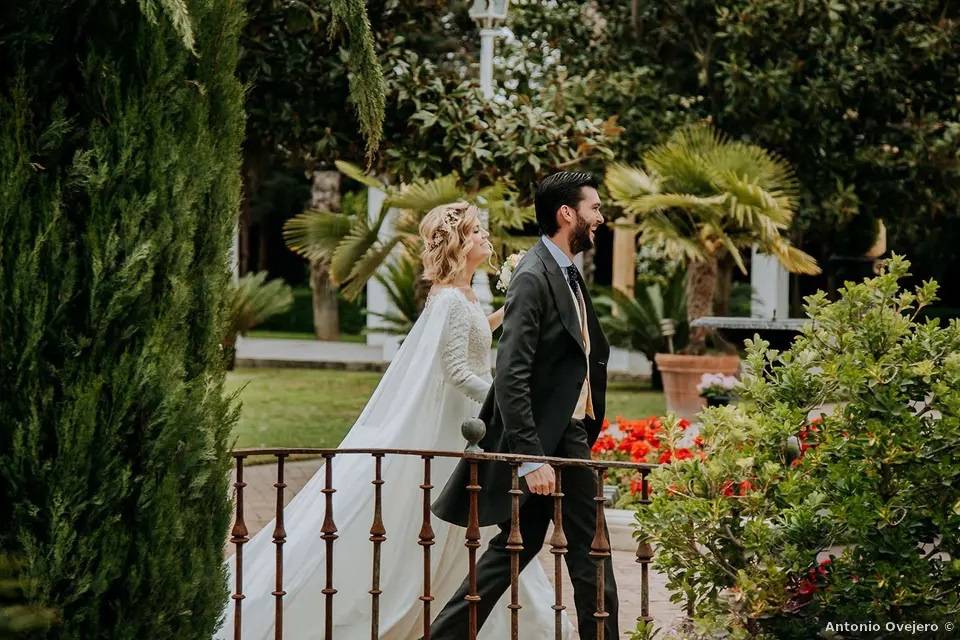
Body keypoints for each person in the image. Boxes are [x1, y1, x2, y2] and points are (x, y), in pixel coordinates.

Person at [215, 201, 572, 639]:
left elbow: (477, 333)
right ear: (459, 242)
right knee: (445, 515)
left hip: (467, 423)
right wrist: (507, 403)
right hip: (457, 422)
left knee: (470, 518)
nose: (484, 237)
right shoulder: (448, 301)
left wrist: (511, 313)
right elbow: (459, 372)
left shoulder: (465, 295)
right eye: (476, 232)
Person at [430, 172, 618, 639]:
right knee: (592, 552)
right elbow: (511, 375)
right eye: (594, 208)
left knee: (515, 548)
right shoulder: (534, 275)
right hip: (552, 442)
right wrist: (532, 456)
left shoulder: (564, 271)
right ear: (566, 214)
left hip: (564, 433)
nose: (600, 217)